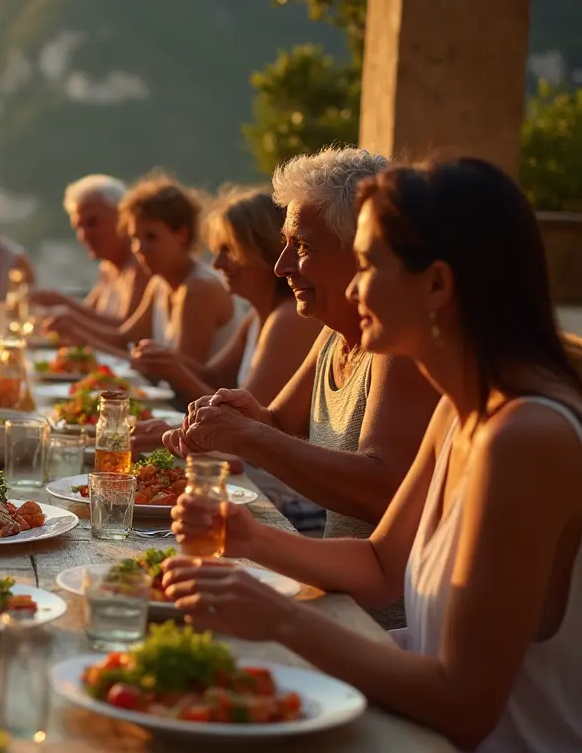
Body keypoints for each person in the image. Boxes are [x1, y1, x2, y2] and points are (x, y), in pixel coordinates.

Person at [165, 158, 582, 752]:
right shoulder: (459, 409)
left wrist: (281, 618)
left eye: (366, 264)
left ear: (437, 285)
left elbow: (463, 705)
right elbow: (382, 568)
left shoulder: (525, 438)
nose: (353, 288)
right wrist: (249, 541)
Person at [163, 147, 441, 624]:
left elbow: (380, 489)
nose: (281, 265)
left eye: (303, 246)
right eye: (284, 244)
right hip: (339, 595)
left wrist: (248, 436)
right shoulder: (336, 333)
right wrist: (242, 415)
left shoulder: (402, 351)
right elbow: (277, 423)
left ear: (363, 249)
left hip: (381, 622)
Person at [128, 187, 320, 446]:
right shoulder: (255, 316)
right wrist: (170, 361)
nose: (216, 264)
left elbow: (246, 422)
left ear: (263, 251)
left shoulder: (288, 320)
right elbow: (212, 377)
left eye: (228, 250)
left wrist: (174, 374)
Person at [44, 174, 243, 365]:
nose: (140, 249)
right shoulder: (159, 282)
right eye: (135, 239)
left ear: (181, 235)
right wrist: (73, 329)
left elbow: (184, 375)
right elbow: (124, 338)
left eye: (151, 237)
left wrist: (80, 334)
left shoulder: (198, 288)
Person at [29, 174, 150, 325]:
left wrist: (60, 301)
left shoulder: (143, 266)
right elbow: (88, 315)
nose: (84, 235)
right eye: (78, 227)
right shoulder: (107, 268)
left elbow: (126, 333)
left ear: (123, 218)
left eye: (93, 223)